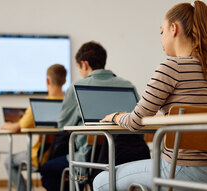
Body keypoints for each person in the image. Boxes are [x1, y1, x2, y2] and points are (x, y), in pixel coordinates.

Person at [93, 1, 207, 190]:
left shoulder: (171, 67)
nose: (161, 38)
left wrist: (115, 116)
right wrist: (166, 116)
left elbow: (135, 121)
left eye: (161, 31)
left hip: (183, 171)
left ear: (174, 29)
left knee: (100, 182)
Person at [40, 41, 150, 191]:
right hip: (131, 156)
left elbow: (63, 125)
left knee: (47, 169)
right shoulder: (128, 85)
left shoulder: (77, 87)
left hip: (91, 159)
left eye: (79, 68)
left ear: (84, 64)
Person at [0, 64, 67, 191]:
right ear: (64, 81)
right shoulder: (69, 104)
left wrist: (6, 125)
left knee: (8, 160)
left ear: (47, 80)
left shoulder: (39, 106)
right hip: (64, 156)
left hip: (42, 156)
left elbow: (19, 127)